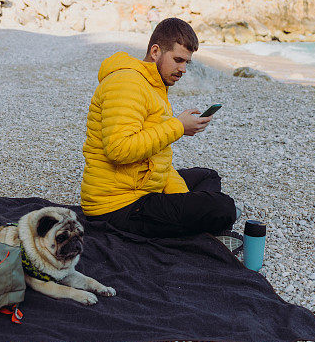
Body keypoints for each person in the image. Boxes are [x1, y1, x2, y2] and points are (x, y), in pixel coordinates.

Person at [80, 18, 238, 238]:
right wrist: (178, 126)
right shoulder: (127, 84)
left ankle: (192, 222)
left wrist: (183, 200)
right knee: (224, 207)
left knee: (208, 177)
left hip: (142, 188)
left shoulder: (154, 86)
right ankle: (198, 227)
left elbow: (158, 158)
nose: (183, 69)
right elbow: (119, 150)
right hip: (117, 207)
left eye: (187, 63)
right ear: (155, 52)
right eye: (178, 60)